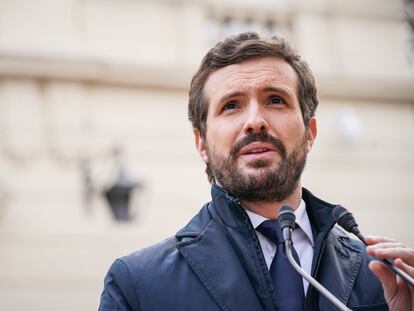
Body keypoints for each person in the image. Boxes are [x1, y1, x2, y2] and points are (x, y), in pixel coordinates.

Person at [99, 32, 414, 311]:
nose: (255, 121)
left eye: (275, 100)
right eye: (231, 105)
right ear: (202, 144)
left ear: (310, 133)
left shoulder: (388, 278)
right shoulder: (137, 287)